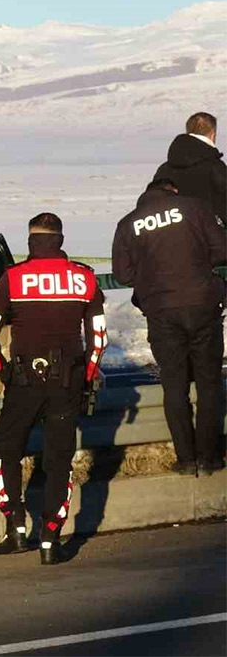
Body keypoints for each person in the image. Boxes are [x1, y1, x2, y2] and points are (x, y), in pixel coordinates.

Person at [0, 213, 107, 565]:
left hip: (22, 381)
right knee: (59, 459)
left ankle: (16, 528)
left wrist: (4, 372)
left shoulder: (13, 279)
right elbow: (99, 340)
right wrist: (86, 376)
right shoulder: (84, 279)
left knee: (7, 446)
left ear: (31, 241)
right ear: (60, 241)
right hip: (67, 382)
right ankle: (51, 538)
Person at [113, 179, 226, 476]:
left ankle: (186, 460)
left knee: (173, 386)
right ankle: (211, 457)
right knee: (209, 384)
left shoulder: (128, 224)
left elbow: (123, 274)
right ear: (173, 190)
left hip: (161, 311)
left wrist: (150, 274)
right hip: (202, 304)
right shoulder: (195, 207)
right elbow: (222, 250)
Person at [153, 112, 226, 225]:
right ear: (212, 135)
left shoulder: (163, 169)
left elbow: (152, 205)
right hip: (210, 237)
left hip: (172, 236)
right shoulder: (215, 167)